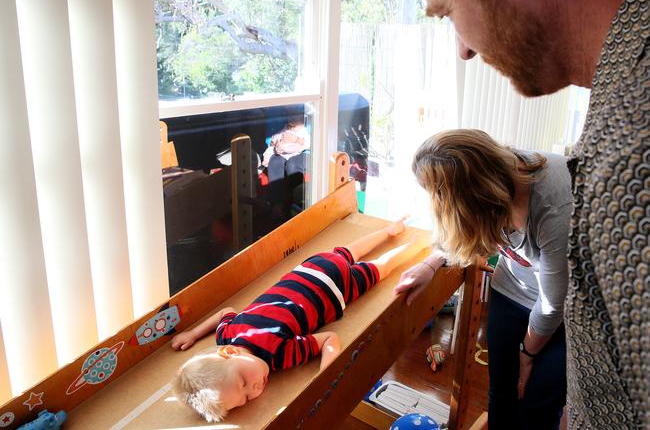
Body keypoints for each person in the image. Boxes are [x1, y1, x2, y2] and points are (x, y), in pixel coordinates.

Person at [405, 0, 649, 427]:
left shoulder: (628, 153)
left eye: (449, 10)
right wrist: (435, 261)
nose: (463, 49)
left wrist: (528, 351)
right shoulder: (620, 96)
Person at [394, 129, 572, 429]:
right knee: (502, 391)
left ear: (474, 195)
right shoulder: (491, 181)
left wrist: (526, 354)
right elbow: (463, 233)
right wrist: (431, 263)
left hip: (564, 310)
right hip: (512, 289)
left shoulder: (554, 205)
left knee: (539, 403)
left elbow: (553, 304)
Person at [170, 218, 425, 422]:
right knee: (350, 251)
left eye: (244, 382)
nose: (256, 389)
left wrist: (326, 375)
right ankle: (390, 232)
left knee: (383, 266)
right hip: (307, 271)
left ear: (228, 352)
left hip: (337, 290)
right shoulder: (228, 334)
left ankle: (419, 245)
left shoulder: (280, 354)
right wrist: (193, 334)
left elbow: (329, 339)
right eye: (247, 398)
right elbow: (226, 312)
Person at [263, 119, 310, 222]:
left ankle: (295, 204)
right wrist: (275, 144)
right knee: (274, 161)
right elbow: (274, 138)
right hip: (284, 152)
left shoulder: (306, 127)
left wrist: (296, 140)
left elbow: (309, 143)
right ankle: (277, 205)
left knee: (292, 166)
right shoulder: (285, 126)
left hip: (302, 152)